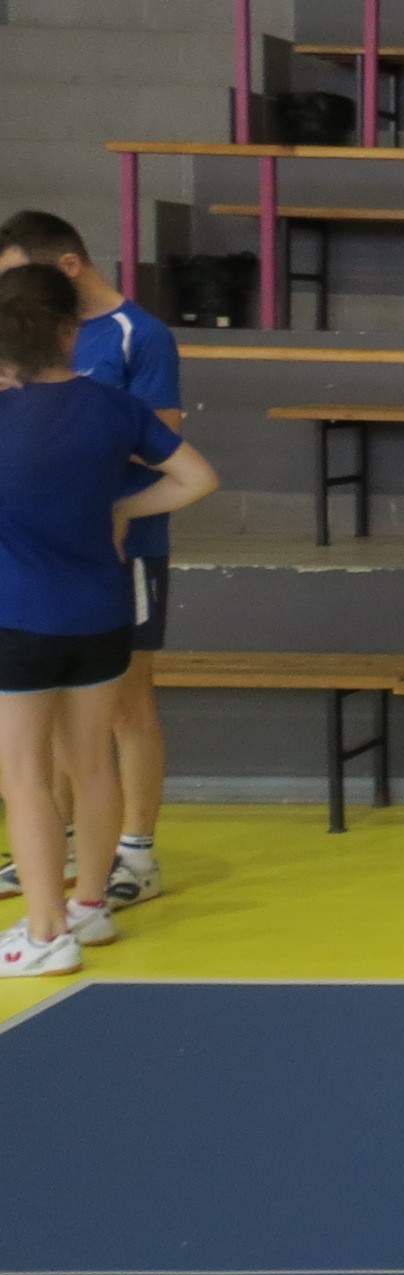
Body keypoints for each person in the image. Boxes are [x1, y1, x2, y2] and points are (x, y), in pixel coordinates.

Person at [0, 265, 217, 976]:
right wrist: (121, 506)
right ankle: (89, 908)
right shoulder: (114, 408)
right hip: (101, 613)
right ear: (71, 331)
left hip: (17, 618)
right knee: (92, 763)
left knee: (26, 777)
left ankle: (45, 933)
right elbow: (198, 479)